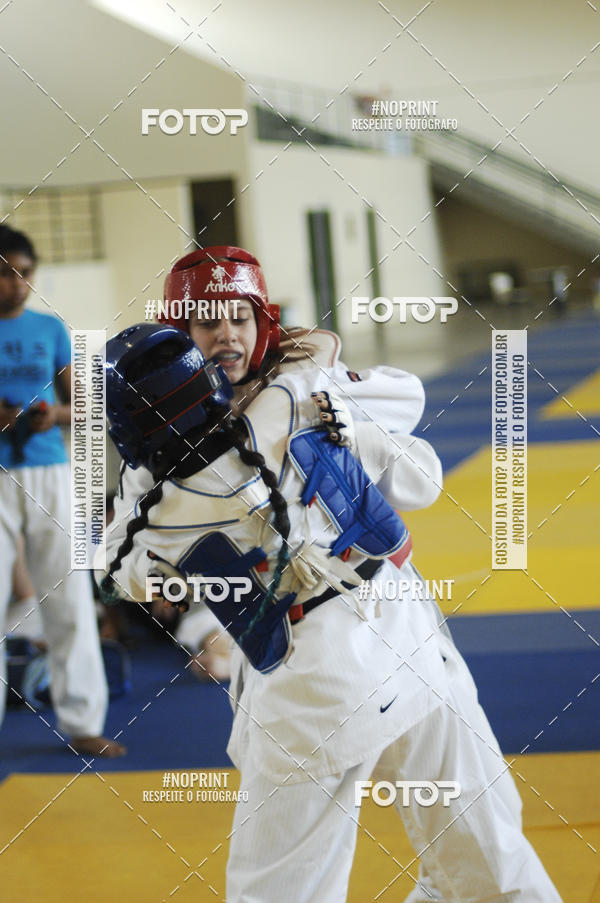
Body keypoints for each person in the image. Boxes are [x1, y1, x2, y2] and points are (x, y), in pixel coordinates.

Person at [100, 247, 562, 901]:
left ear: (264, 321)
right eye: (207, 322)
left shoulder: (308, 389)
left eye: (239, 316)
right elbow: (124, 566)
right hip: (334, 665)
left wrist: (341, 417)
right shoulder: (185, 458)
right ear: (182, 337)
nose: (226, 333)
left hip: (386, 643)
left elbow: (417, 446)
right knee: (321, 880)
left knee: (477, 855)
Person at [0, 225, 125, 758]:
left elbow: (91, 406)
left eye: (25, 273)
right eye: (6, 273)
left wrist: (55, 415)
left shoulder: (50, 330)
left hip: (50, 471)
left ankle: (83, 720)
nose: (17, 283)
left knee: (70, 594)